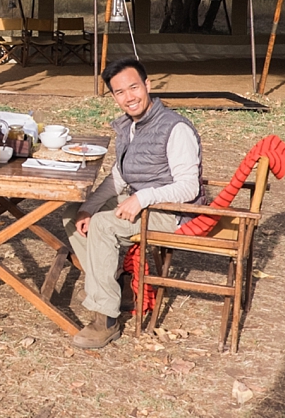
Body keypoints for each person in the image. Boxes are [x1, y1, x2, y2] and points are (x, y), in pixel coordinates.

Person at [61, 58, 204, 349]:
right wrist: (88, 206)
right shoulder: (129, 127)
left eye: (134, 88)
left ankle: (106, 318)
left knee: (101, 225)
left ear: (148, 85)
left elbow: (188, 188)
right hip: (142, 202)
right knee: (72, 214)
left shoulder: (175, 128)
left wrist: (142, 198)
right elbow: (118, 176)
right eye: (120, 92)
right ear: (113, 97)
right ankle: (120, 284)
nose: (129, 97)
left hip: (173, 211)